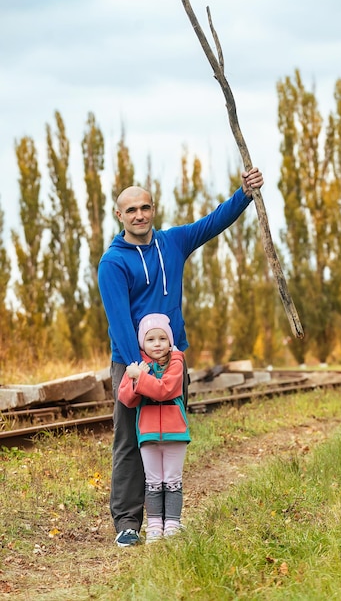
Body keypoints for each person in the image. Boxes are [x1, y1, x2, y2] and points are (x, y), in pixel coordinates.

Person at [98, 166, 264, 547]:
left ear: (152, 209)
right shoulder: (113, 263)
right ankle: (127, 522)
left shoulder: (172, 243)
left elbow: (211, 223)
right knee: (130, 440)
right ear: (119, 216)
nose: (139, 215)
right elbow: (120, 321)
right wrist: (135, 369)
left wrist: (244, 193)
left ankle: (167, 522)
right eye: (131, 210)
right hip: (133, 364)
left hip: (173, 363)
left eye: (145, 207)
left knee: (170, 436)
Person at [118, 313, 190, 545]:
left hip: (175, 432)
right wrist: (137, 379)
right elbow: (126, 399)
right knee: (153, 481)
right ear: (142, 343)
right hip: (147, 433)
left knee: (172, 480)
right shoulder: (138, 366)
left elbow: (165, 390)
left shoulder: (176, 362)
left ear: (170, 342)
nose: (157, 344)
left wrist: (141, 379)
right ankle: (155, 527)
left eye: (162, 338)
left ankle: (172, 524)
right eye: (150, 339)